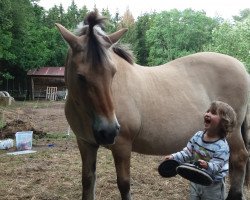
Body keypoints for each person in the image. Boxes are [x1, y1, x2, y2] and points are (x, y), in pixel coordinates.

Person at [164, 101, 236, 200]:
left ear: (223, 123)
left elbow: (217, 166)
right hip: (196, 178)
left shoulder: (222, 147)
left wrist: (207, 165)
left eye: (213, 113)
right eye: (208, 111)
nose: (207, 114)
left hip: (213, 185)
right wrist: (174, 157)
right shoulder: (197, 136)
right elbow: (187, 153)